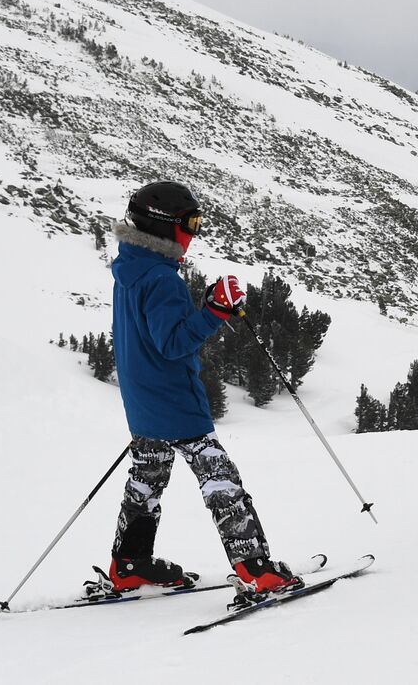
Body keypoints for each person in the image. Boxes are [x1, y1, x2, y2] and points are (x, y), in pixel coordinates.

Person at [105, 180, 301, 594]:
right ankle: (255, 569)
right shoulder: (161, 278)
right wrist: (214, 312)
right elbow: (173, 342)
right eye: (189, 223)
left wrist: (206, 309)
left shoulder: (131, 267)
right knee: (219, 479)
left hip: (141, 401)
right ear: (164, 226)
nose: (193, 233)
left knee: (148, 476)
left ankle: (130, 564)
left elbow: (149, 334)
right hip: (175, 401)